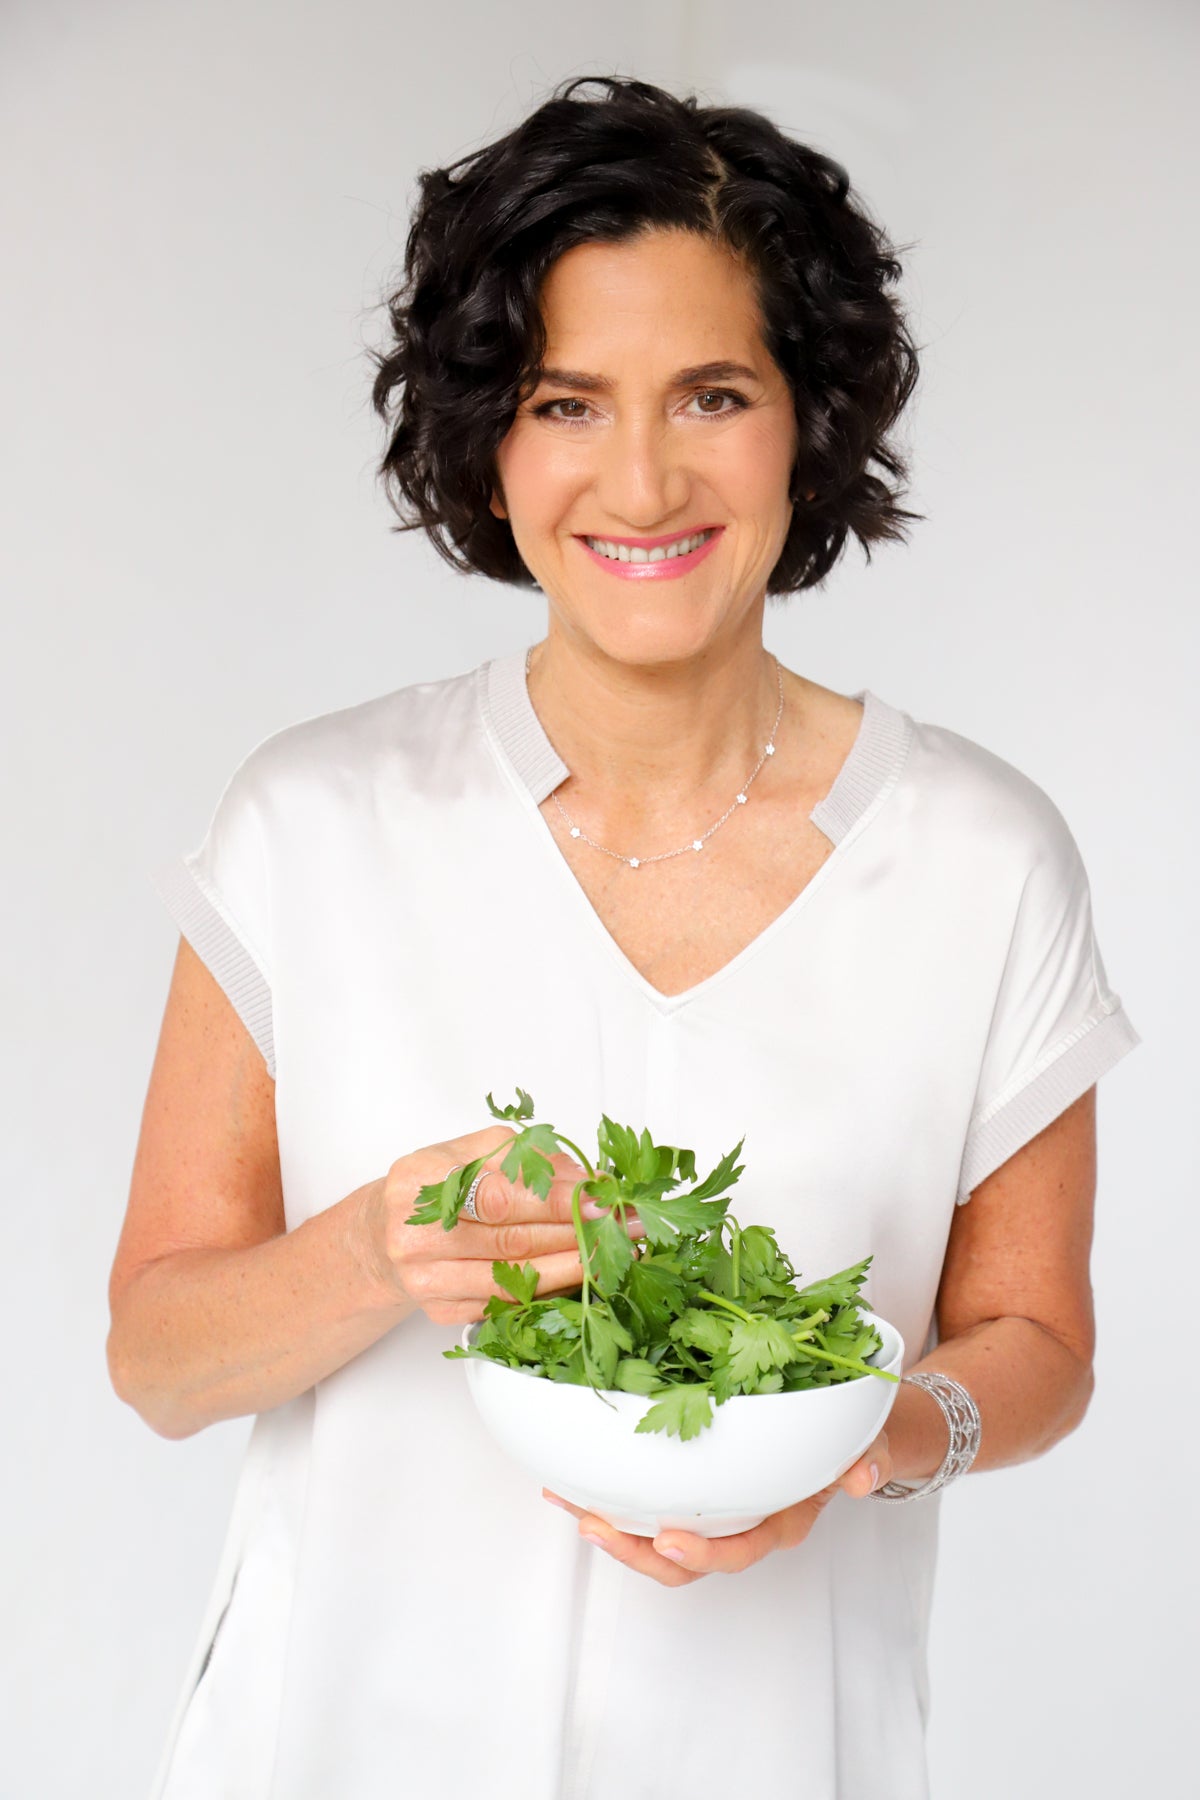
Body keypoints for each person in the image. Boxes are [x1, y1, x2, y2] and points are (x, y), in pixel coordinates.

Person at [108, 74, 1141, 1800]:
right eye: (566, 402)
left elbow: (1038, 1349)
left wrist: (864, 1442)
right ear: (489, 440)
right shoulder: (313, 821)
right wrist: (380, 1252)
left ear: (808, 419)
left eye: (713, 395)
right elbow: (156, 1360)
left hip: (781, 1752)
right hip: (336, 1747)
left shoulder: (982, 859)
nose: (643, 479)